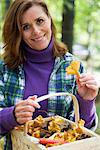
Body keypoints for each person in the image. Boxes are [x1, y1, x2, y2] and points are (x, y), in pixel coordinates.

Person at [0, 0, 99, 149]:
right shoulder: (5, 67)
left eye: (40, 21)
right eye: (26, 27)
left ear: (49, 20)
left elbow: (84, 133)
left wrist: (86, 101)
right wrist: (12, 115)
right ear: (18, 32)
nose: (36, 31)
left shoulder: (72, 66)